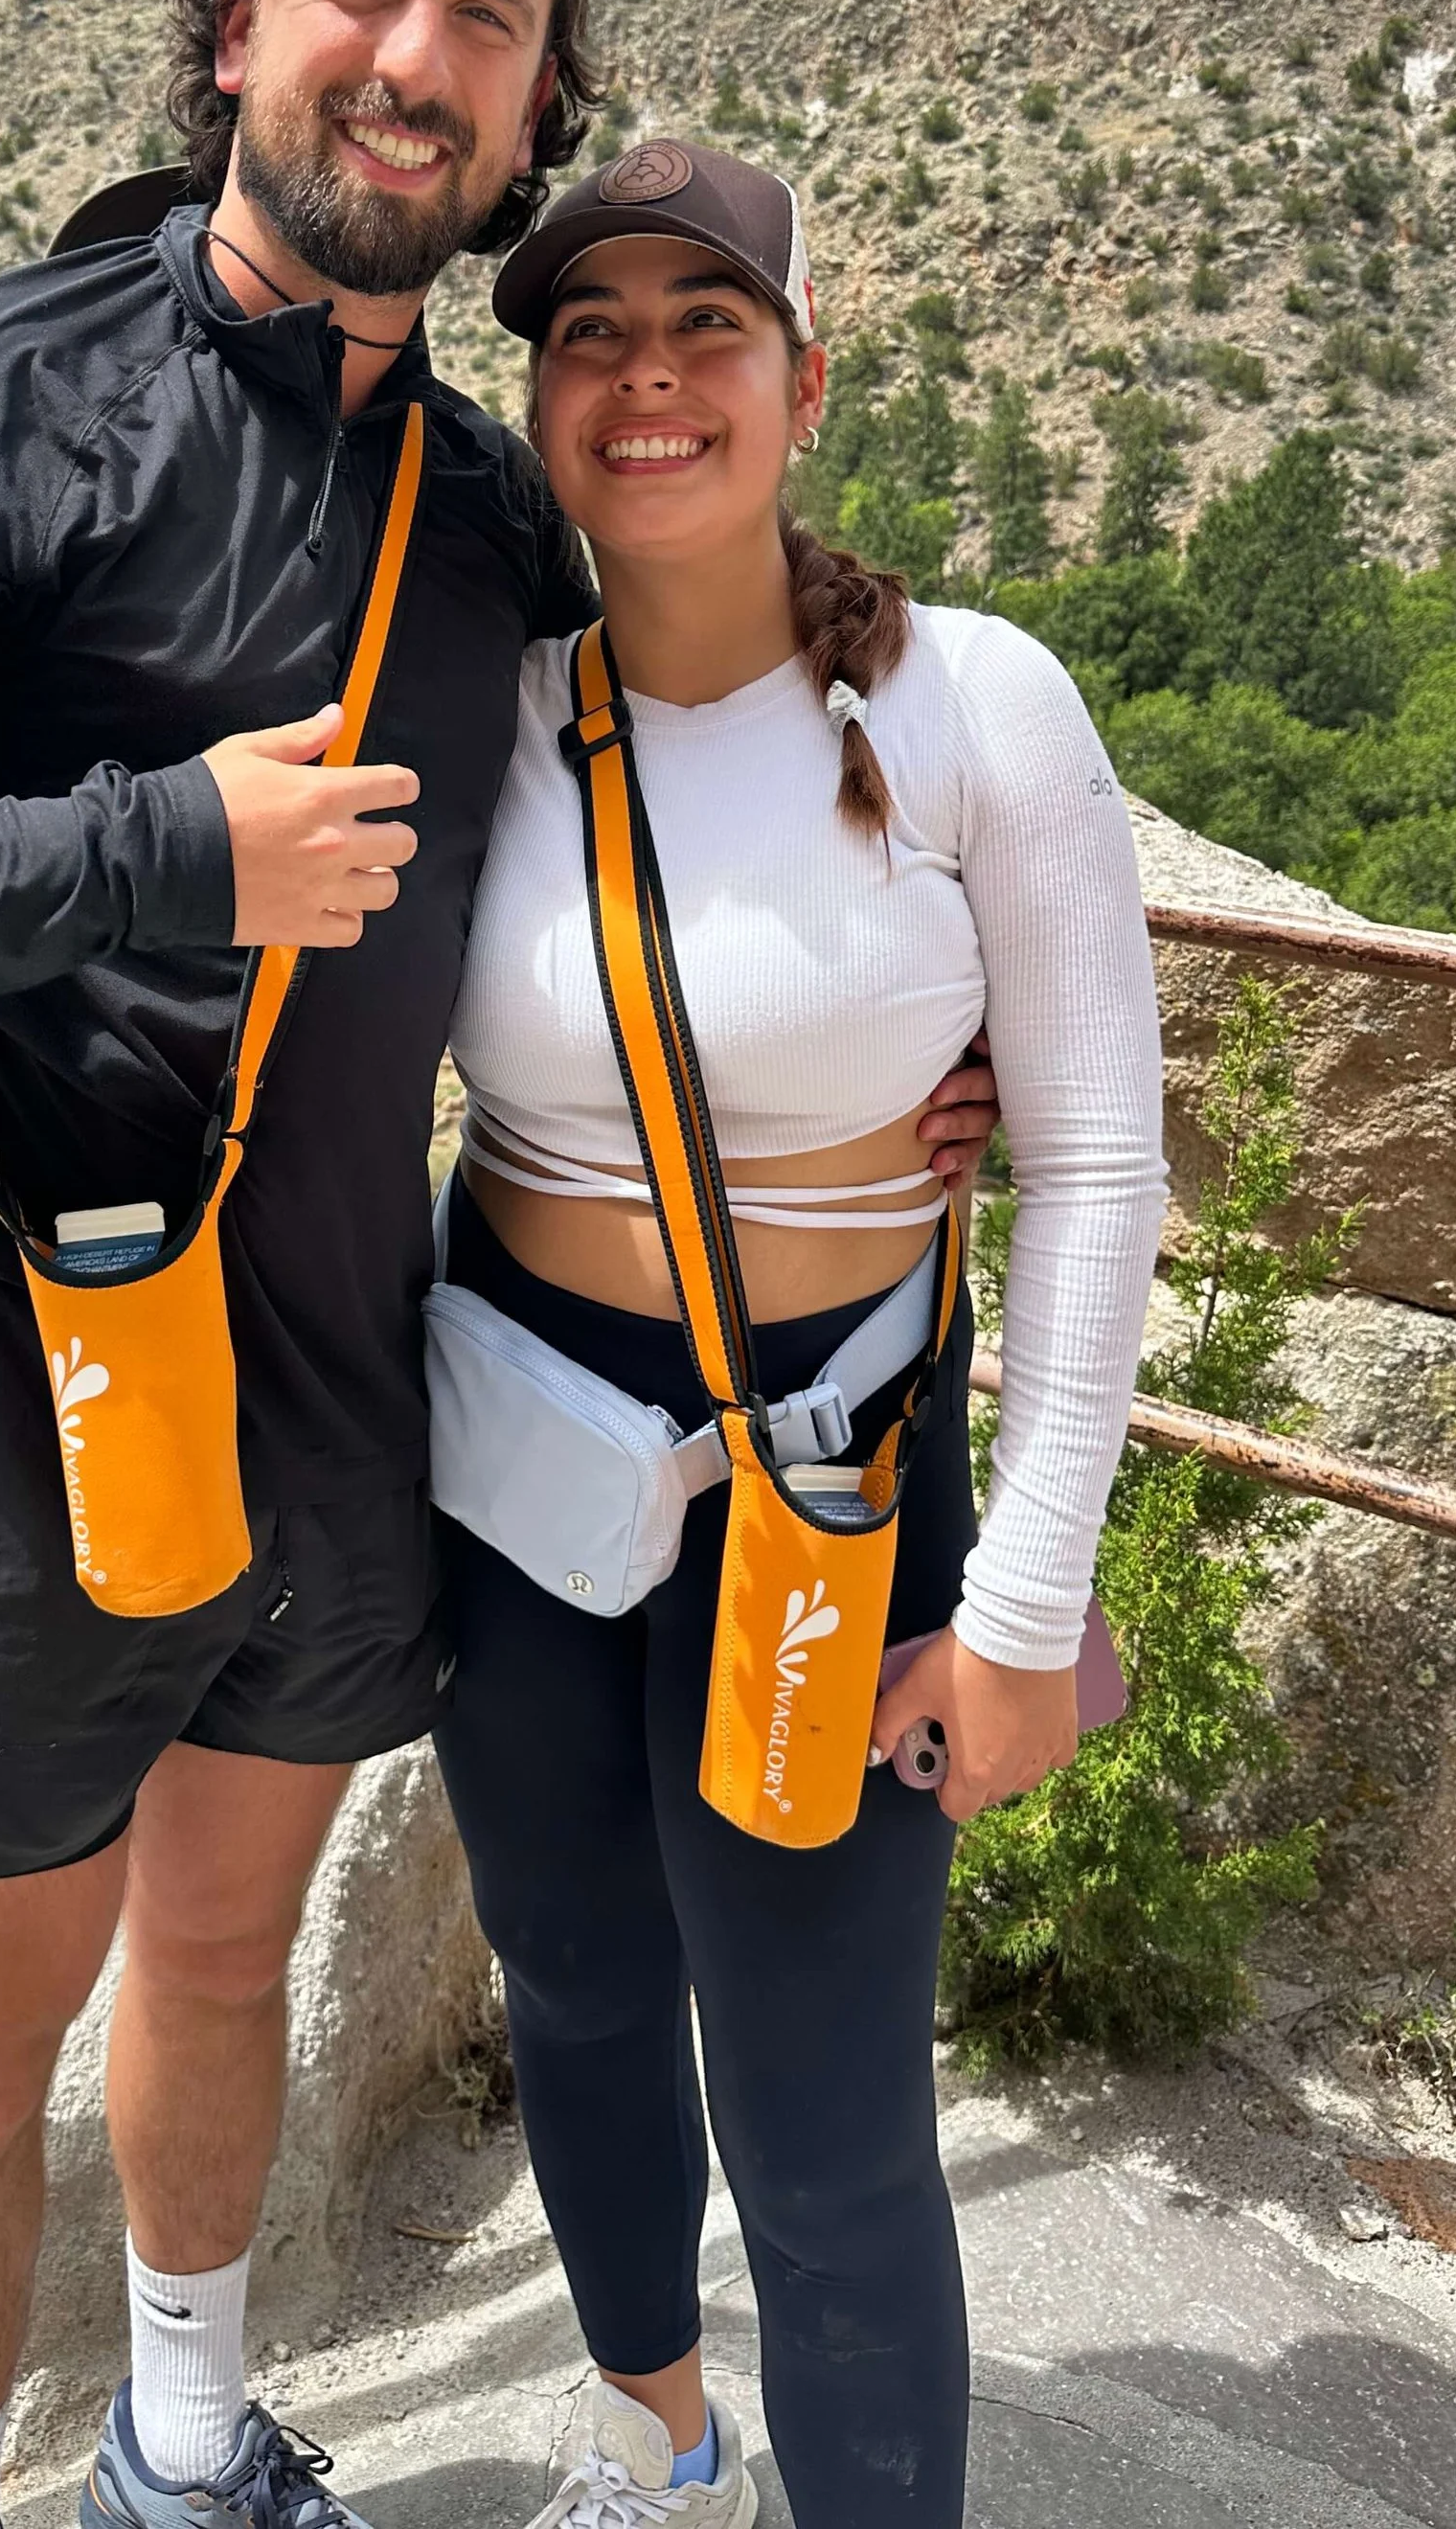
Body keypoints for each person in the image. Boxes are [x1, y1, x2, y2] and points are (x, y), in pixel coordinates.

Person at [0, 0, 1002, 2529]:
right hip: (17, 1370)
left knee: (228, 1950)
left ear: (526, 104)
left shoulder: (486, 509)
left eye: (484, 13)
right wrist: (161, 845)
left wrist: (879, 1043)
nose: (412, 51)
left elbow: (712, 659)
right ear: (241, 7)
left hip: (337, 1377)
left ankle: (173, 2447)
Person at [433, 143, 1167, 2528]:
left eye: (704, 324)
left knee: (826, 2106)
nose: (644, 375)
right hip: (526, 1474)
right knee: (571, 1989)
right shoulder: (479, 719)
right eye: (585, 332)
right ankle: (655, 2443)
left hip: (832, 1482)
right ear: (538, 397)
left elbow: (1089, 1172)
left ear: (801, 376)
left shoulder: (978, 707)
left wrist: (1026, 1612)